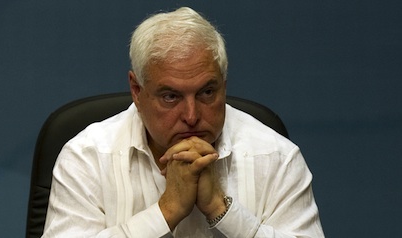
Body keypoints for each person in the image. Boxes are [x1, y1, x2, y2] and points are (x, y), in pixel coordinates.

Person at [43, 7, 324, 237]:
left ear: (224, 85)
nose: (191, 116)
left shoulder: (276, 157)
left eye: (207, 92)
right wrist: (166, 211)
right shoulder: (86, 158)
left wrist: (220, 209)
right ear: (137, 91)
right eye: (170, 96)